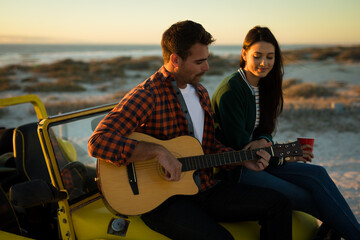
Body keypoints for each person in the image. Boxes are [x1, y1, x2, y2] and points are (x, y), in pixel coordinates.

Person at [88, 21, 293, 240]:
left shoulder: (201, 93)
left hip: (202, 187)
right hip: (161, 202)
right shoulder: (148, 95)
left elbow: (208, 148)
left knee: (278, 204)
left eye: (207, 59)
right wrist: (158, 152)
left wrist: (243, 159)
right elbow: (98, 142)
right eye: (200, 61)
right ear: (175, 60)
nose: (207, 68)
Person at [211, 25, 360, 240]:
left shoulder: (262, 86)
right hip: (237, 170)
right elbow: (245, 152)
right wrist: (287, 155)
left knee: (318, 174)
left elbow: (265, 133)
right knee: (306, 196)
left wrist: (266, 142)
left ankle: (341, 231)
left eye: (270, 57)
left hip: (262, 160)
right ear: (244, 54)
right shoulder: (231, 91)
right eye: (258, 56)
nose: (264, 63)